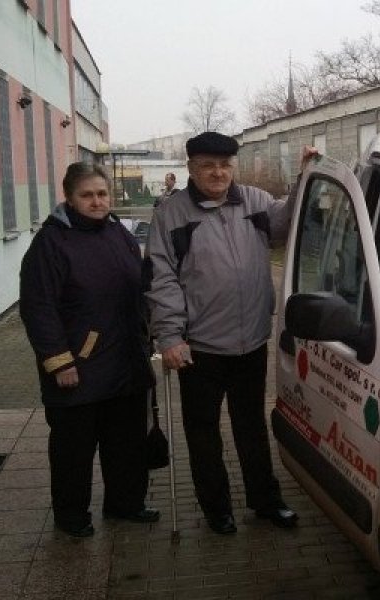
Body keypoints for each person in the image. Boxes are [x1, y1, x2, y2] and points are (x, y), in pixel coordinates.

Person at [146, 131, 315, 534]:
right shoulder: (171, 214)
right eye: (208, 166)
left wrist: (305, 177)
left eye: (225, 165)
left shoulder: (254, 201)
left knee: (252, 427)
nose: (218, 173)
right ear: (191, 168)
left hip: (251, 342)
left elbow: (287, 222)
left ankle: (265, 500)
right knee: (203, 433)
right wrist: (170, 337)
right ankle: (216, 508)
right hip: (198, 347)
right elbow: (160, 277)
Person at [20, 162, 159, 538]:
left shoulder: (118, 232)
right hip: (78, 366)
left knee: (125, 443)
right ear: (69, 198)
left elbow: (139, 285)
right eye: (87, 195)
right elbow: (38, 307)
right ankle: (71, 516)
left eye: (102, 194)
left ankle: (125, 504)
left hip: (125, 361)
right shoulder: (51, 243)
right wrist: (59, 362)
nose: (97, 202)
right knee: (74, 449)